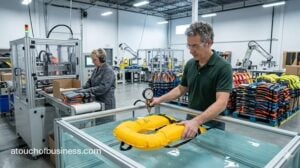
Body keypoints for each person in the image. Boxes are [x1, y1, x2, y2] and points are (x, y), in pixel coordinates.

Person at [150, 22, 232, 139]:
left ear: (208, 43)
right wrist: (160, 99)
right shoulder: (190, 64)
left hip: (212, 127)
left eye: (195, 46)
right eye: (189, 46)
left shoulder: (223, 67)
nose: (191, 50)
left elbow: (221, 103)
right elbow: (181, 89)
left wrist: (197, 121)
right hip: (190, 122)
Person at [79, 48, 116, 122]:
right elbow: (90, 81)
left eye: (94, 60)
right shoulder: (96, 69)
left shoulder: (108, 71)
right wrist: (81, 89)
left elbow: (103, 88)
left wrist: (86, 90)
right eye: (92, 60)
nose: (93, 62)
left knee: (105, 124)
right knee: (98, 122)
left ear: (102, 58)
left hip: (106, 103)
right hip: (97, 101)